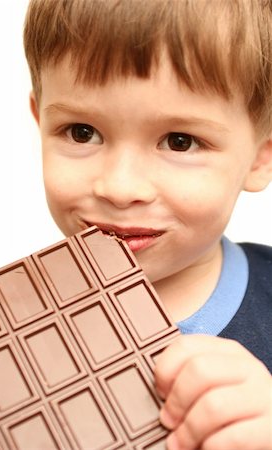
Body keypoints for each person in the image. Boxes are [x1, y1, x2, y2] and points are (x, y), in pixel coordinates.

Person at [23, 0, 272, 448]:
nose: (120, 188)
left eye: (180, 141)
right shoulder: (2, 332)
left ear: (261, 156)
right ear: (40, 121)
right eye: (82, 132)